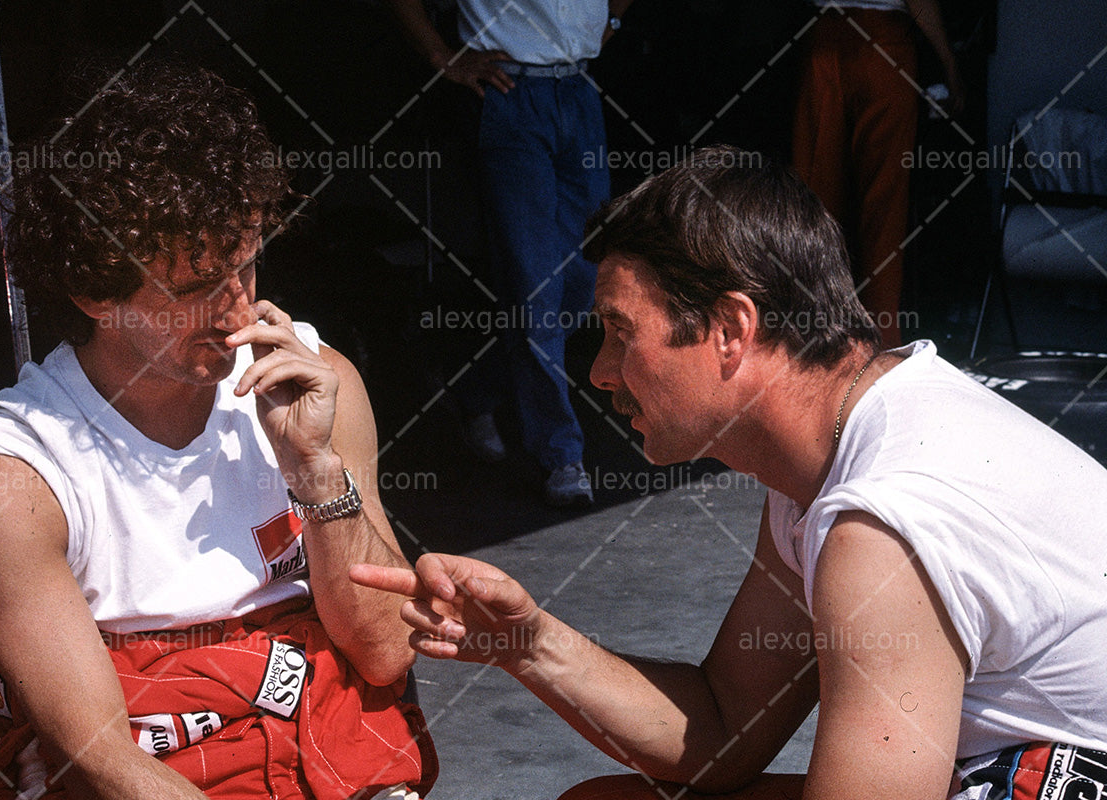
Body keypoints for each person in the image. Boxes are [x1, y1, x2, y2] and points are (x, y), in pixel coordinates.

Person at [352, 146, 1107, 799]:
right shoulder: (837, 460)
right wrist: (529, 643)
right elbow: (722, 725)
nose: (601, 373)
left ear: (730, 329)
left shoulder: (883, 520)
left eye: (620, 333)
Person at [0, 60, 436, 800]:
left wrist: (316, 468)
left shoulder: (314, 381)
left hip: (323, 759)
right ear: (94, 293)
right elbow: (104, 762)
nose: (239, 314)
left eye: (248, 265)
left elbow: (388, 651)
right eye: (198, 288)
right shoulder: (14, 476)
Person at [388, 0, 634, 505]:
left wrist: (610, 20)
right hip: (509, 93)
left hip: (578, 90)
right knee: (534, 286)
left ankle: (476, 390)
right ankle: (561, 455)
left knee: (587, 279)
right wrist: (442, 55)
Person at [792, 0, 965, 348]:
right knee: (883, 206)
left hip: (825, 38)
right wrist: (949, 63)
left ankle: (807, 336)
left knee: (813, 200)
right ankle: (879, 343)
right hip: (883, 43)